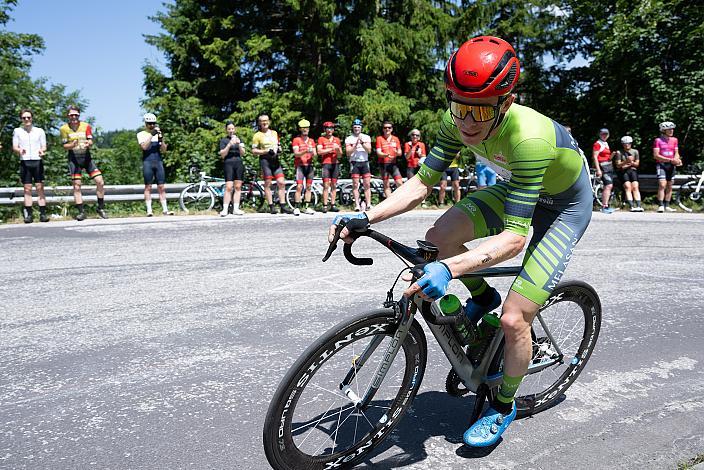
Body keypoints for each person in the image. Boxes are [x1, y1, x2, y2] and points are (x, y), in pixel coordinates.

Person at [330, 36, 593, 448]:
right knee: (438, 237)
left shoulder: (529, 138)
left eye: (480, 111)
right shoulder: (455, 121)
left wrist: (449, 269)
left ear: (505, 103)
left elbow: (512, 240)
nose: (467, 123)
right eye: (459, 107)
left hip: (563, 206)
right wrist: (366, 216)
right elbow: (420, 184)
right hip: (519, 189)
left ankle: (502, 404)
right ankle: (482, 299)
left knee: (514, 319)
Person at [60, 105, 107, 220]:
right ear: (68, 116)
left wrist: (89, 144)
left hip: (86, 158)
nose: (74, 117)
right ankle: (81, 212)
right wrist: (72, 145)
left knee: (99, 181)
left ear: (79, 115)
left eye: (76, 115)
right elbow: (65, 146)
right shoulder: (64, 129)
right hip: (74, 159)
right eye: (71, 115)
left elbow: (90, 140)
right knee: (77, 186)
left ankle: (100, 208)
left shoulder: (86, 126)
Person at [12, 109, 48, 223]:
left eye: (28, 117)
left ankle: (43, 214)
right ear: (21, 119)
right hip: (25, 161)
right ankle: (29, 215)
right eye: (24, 118)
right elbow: (14, 147)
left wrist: (42, 151)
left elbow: (44, 146)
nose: (27, 119)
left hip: (37, 161)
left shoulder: (39, 131)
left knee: (39, 187)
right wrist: (19, 150)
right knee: (27, 189)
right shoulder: (17, 131)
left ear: (32, 118)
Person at [252, 114, 292, 214]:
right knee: (268, 183)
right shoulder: (257, 135)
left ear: (269, 122)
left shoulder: (274, 133)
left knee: (281, 182)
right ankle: (271, 206)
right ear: (259, 123)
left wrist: (280, 149)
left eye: (266, 120)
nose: (264, 123)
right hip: (265, 161)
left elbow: (278, 145)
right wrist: (265, 151)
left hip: (275, 160)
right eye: (262, 121)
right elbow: (254, 151)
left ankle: (283, 206)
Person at [137, 113, 173, 216]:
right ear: (145, 124)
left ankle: (165, 210)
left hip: (158, 162)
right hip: (147, 162)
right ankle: (149, 210)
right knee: (148, 186)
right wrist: (151, 135)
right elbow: (144, 147)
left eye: (153, 123)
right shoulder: (141, 134)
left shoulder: (158, 133)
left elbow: (164, 150)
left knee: (161, 186)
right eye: (149, 124)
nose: (152, 125)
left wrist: (161, 139)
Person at [653, 121, 682, 212]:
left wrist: (677, 160)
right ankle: (660, 205)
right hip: (661, 164)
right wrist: (670, 160)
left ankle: (667, 205)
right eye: (669, 129)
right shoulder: (658, 140)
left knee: (670, 185)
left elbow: (676, 153)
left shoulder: (675, 140)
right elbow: (656, 155)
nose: (671, 130)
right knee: (662, 184)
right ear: (663, 130)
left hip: (671, 164)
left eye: (672, 129)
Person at [218, 121, 246, 216]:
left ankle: (236, 209)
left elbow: (243, 153)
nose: (231, 131)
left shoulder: (239, 139)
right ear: (226, 130)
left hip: (238, 163)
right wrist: (229, 144)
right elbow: (222, 154)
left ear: (235, 129)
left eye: (232, 129)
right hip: (228, 163)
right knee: (229, 187)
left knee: (238, 187)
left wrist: (238, 144)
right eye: (229, 129)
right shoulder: (223, 140)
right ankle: (225, 209)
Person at [345, 118, 373, 211]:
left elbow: (369, 150)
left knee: (367, 184)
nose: (357, 128)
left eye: (358, 127)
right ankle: (357, 204)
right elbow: (348, 153)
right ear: (353, 128)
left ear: (361, 128)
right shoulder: (349, 138)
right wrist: (356, 145)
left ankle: (368, 204)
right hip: (355, 162)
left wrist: (362, 143)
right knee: (355, 184)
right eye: (355, 127)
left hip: (364, 162)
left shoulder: (366, 137)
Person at [291, 119, 317, 216]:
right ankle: (297, 207)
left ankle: (306, 206)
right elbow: (296, 154)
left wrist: (312, 152)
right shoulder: (296, 140)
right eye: (303, 128)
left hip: (309, 166)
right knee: (299, 186)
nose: (305, 130)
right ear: (300, 129)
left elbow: (315, 154)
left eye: (307, 128)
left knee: (309, 187)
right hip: (300, 166)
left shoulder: (311, 141)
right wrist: (305, 151)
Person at [613, 136, 643, 212]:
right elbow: (618, 165)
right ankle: (631, 205)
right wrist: (627, 161)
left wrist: (630, 163)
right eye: (625, 144)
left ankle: (639, 205)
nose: (627, 145)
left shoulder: (635, 151)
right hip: (624, 172)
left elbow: (637, 164)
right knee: (627, 186)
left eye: (628, 144)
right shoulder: (619, 152)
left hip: (632, 170)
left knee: (635, 186)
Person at [317, 121, 342, 213]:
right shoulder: (321, 139)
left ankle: (333, 204)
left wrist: (338, 149)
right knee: (326, 185)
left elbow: (340, 155)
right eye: (328, 128)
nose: (330, 130)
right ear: (325, 130)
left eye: (331, 128)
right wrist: (331, 149)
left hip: (335, 163)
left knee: (334, 185)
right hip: (326, 163)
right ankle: (324, 205)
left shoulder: (337, 140)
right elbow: (319, 152)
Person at [591, 128, 616, 214]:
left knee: (608, 186)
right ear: (599, 134)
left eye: (606, 134)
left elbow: (606, 157)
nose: (604, 136)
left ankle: (606, 205)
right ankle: (604, 206)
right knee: (608, 185)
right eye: (603, 134)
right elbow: (595, 156)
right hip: (602, 167)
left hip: (608, 167)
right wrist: (598, 169)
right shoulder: (597, 144)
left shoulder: (605, 144)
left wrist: (612, 156)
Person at [376, 121, 403, 198]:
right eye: (385, 127)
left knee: (399, 183)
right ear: (383, 129)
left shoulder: (396, 139)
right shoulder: (379, 138)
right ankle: (389, 201)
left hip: (393, 164)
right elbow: (378, 152)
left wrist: (397, 153)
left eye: (389, 127)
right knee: (386, 184)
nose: (387, 129)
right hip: (383, 164)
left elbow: (400, 152)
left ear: (392, 129)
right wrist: (385, 155)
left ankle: (401, 200)